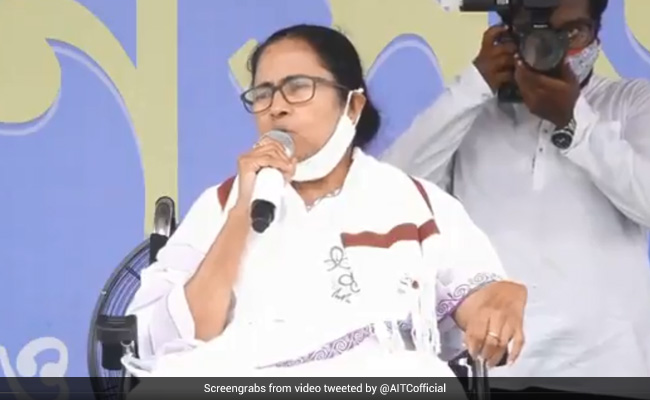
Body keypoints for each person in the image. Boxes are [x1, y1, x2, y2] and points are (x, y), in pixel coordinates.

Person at [122, 24, 526, 382]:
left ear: (353, 105)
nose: (276, 106)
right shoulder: (221, 204)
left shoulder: (415, 202)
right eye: (262, 94)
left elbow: (483, 300)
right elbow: (174, 339)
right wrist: (241, 214)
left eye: (298, 87)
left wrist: (501, 303)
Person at [382, 0, 650, 393]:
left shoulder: (632, 102)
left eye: (573, 32)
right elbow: (392, 197)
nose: (555, 46)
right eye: (537, 30)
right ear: (509, 34)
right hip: (492, 368)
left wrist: (572, 121)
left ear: (597, 33)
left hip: (606, 367)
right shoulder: (471, 113)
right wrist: (473, 86)